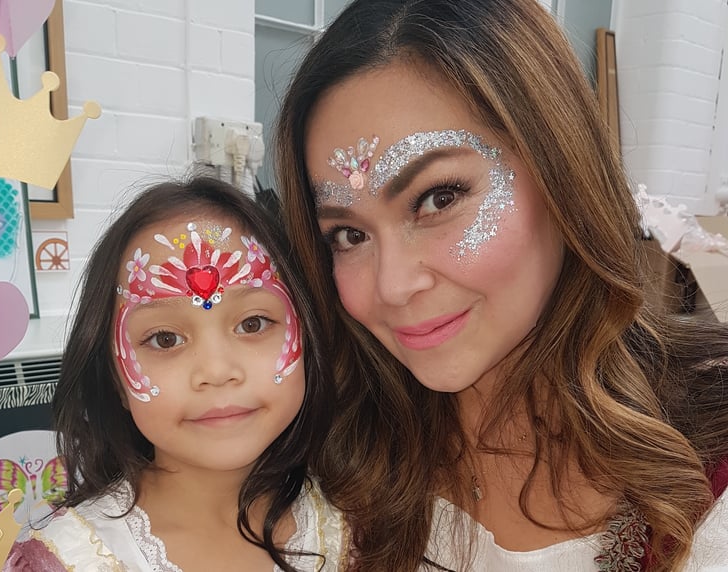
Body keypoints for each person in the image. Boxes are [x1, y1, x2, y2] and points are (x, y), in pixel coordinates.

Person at [274, 0, 728, 570]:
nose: (392, 286)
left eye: (438, 199)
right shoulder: (335, 455)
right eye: (348, 235)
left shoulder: (712, 458)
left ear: (561, 171)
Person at [4, 176, 346, 571]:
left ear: (307, 333)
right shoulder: (65, 561)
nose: (217, 371)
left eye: (252, 324)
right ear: (114, 377)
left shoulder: (358, 523)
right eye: (165, 339)